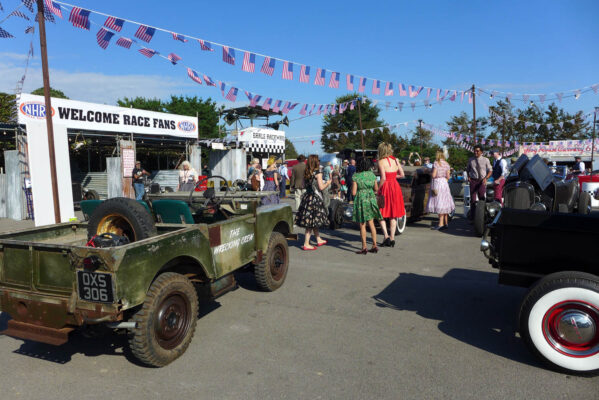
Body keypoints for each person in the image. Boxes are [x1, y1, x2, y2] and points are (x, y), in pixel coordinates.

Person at [295, 155, 332, 250]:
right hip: (314, 199)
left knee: (312, 220)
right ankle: (306, 243)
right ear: (316, 162)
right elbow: (321, 187)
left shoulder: (307, 172)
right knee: (310, 222)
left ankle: (318, 239)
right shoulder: (318, 173)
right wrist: (327, 183)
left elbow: (304, 185)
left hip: (307, 197)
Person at [377, 143, 406, 247]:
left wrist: (378, 189)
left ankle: (386, 236)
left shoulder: (381, 161)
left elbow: (383, 178)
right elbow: (402, 175)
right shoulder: (395, 160)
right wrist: (393, 176)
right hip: (395, 186)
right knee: (393, 214)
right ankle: (392, 238)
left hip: (386, 187)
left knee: (380, 212)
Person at [352, 158, 382, 254]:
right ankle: (374, 245)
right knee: (371, 223)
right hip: (371, 198)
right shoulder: (372, 175)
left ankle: (364, 247)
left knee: (362, 224)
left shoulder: (356, 176)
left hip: (361, 199)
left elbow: (353, 192)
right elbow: (376, 189)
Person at [426, 150, 455, 230]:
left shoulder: (436, 163)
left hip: (437, 183)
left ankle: (440, 224)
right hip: (444, 183)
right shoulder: (446, 164)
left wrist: (431, 173)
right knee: (444, 203)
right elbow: (448, 177)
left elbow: (434, 175)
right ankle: (446, 223)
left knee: (439, 203)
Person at [466, 145, 492, 219]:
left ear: (481, 152)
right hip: (473, 180)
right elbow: (467, 169)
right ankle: (473, 217)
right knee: (473, 199)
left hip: (482, 181)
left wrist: (486, 178)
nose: (475, 152)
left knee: (481, 198)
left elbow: (490, 170)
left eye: (477, 151)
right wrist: (468, 176)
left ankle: (483, 215)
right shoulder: (471, 160)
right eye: (474, 150)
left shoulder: (486, 160)